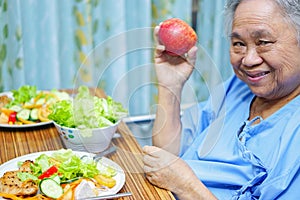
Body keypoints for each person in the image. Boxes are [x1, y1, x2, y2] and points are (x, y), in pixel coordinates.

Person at [142, 0, 300, 199]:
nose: (249, 60)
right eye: (239, 44)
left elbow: (174, 175)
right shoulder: (236, 88)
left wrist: (187, 188)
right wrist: (170, 85)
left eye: (264, 42)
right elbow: (167, 155)